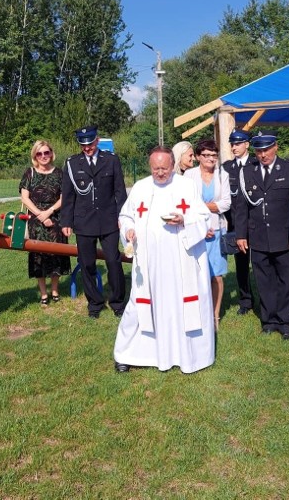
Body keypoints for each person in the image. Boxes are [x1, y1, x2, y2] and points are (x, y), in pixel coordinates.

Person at [113, 146, 214, 373]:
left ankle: (187, 355)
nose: (160, 173)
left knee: (182, 306)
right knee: (137, 306)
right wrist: (128, 230)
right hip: (150, 263)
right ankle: (126, 353)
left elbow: (203, 217)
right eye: (156, 168)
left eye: (165, 168)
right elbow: (126, 215)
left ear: (172, 165)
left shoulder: (186, 186)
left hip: (181, 261)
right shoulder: (140, 187)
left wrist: (184, 220)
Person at [234, 130, 289, 340]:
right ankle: (269, 320)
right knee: (264, 281)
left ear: (276, 147)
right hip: (258, 236)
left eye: (266, 150)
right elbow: (241, 206)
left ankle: (287, 322)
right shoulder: (248, 171)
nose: (262, 155)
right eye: (258, 150)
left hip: (284, 237)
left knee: (287, 281)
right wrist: (240, 234)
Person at [60, 125, 127, 318]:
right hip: (84, 222)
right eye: (84, 145)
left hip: (108, 220)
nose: (87, 148)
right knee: (87, 264)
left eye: (90, 144)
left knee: (114, 262)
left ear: (97, 140)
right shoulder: (72, 164)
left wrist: (123, 217)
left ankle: (117, 302)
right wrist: (66, 222)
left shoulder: (111, 160)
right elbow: (68, 195)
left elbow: (120, 192)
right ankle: (95, 304)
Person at [184, 139, 231, 328]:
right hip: (195, 230)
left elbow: (226, 203)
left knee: (216, 275)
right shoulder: (189, 175)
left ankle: (214, 315)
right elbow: (185, 203)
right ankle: (196, 312)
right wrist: (206, 210)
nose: (211, 159)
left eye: (214, 155)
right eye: (206, 155)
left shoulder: (223, 175)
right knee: (194, 273)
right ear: (197, 157)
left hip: (217, 229)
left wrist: (201, 206)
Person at [20, 140, 70, 306]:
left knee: (57, 254)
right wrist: (40, 215)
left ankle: (55, 290)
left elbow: (64, 198)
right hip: (35, 220)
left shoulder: (60, 173)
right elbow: (25, 198)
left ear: (51, 153)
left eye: (46, 152)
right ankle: (43, 293)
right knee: (38, 256)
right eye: (39, 153)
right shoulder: (29, 173)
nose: (43, 156)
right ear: (35, 155)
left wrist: (49, 212)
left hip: (56, 218)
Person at [222, 129, 257, 316]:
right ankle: (246, 300)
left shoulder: (256, 164)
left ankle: (264, 300)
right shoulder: (227, 168)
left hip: (256, 225)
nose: (234, 147)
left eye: (238, 143)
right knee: (241, 266)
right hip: (236, 225)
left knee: (259, 265)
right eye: (232, 144)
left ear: (247, 144)